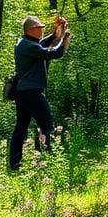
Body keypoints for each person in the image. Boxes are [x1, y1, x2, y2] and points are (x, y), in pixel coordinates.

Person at [8, 13, 71, 170]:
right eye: (39, 27)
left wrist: (59, 30)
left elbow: (44, 43)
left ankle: (16, 165)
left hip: (23, 93)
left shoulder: (26, 43)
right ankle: (49, 160)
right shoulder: (28, 45)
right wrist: (64, 40)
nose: (42, 29)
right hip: (31, 93)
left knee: (21, 128)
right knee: (47, 124)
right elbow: (54, 53)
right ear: (30, 29)